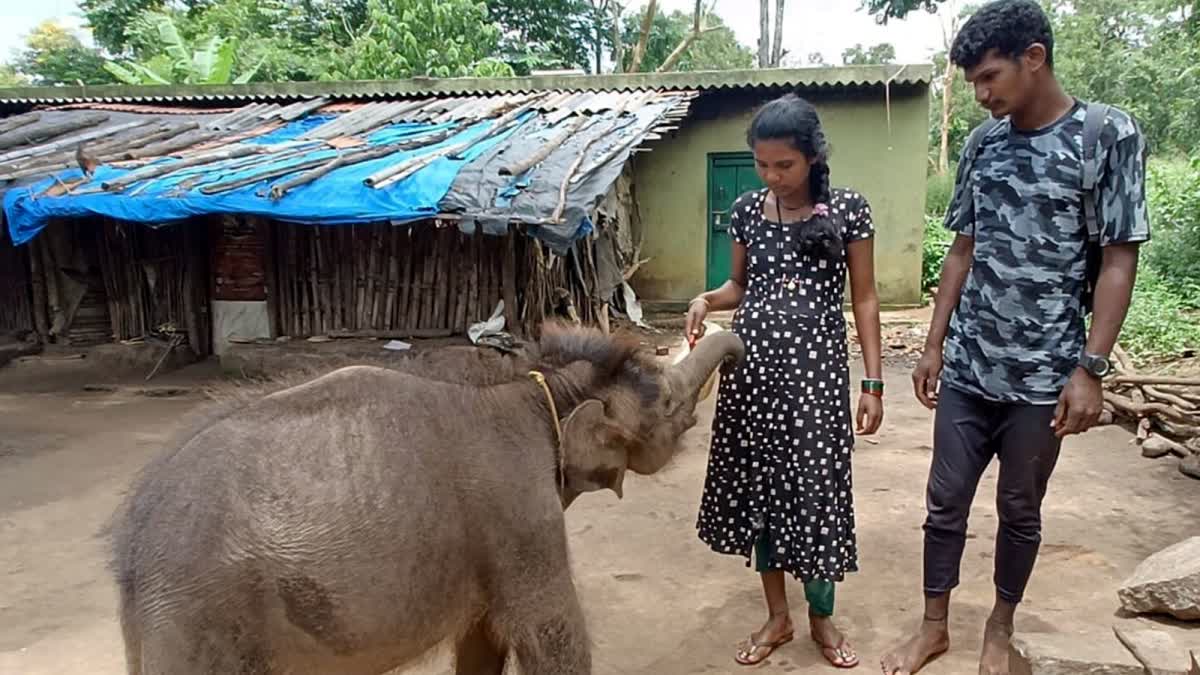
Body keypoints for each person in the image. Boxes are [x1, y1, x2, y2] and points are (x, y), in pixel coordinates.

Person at [880, 1, 1150, 674]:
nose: (981, 94)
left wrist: (1090, 368)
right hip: (971, 368)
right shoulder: (983, 145)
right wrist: (934, 342)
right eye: (971, 81)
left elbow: (1119, 258)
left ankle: (999, 629)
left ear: (1035, 57)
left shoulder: (1105, 136)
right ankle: (933, 626)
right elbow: (962, 251)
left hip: (1044, 377)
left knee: (1019, 508)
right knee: (943, 501)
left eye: (990, 76)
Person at [685, 93, 884, 669]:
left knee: (817, 492)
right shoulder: (748, 210)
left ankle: (822, 617)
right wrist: (705, 298)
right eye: (763, 165)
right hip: (752, 377)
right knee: (761, 495)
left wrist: (872, 383)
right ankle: (778, 616)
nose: (773, 177)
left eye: (785, 166)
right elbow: (738, 287)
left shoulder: (848, 209)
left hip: (815, 379)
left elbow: (865, 299)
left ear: (813, 158)